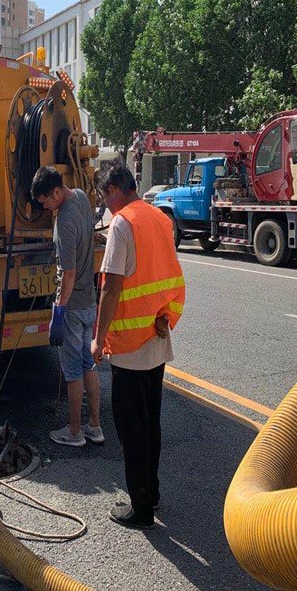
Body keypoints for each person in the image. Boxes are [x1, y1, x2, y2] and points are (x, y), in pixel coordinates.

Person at [91, 160, 184, 531]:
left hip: (130, 345)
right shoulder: (160, 218)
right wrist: (165, 317)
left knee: (131, 430)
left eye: (103, 195)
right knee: (151, 423)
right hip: (157, 336)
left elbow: (111, 287)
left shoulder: (123, 223)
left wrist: (98, 338)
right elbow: (171, 273)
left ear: (115, 188)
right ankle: (152, 493)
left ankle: (141, 509)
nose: (105, 204)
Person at [31, 166, 102, 448]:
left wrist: (58, 312)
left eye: (46, 201)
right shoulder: (82, 198)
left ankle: (74, 432)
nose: (45, 207)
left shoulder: (64, 223)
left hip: (72, 307)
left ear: (57, 192)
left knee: (72, 372)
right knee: (88, 366)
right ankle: (94, 426)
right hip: (89, 302)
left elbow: (68, 273)